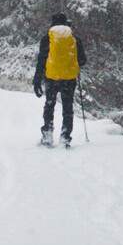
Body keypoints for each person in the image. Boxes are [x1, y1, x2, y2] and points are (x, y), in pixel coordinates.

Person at [34, 12, 84, 147]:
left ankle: (47, 136)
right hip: (69, 79)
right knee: (67, 108)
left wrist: (37, 80)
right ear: (66, 23)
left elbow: (41, 60)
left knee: (50, 105)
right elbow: (83, 60)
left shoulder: (47, 38)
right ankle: (65, 138)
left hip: (51, 77)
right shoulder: (74, 39)